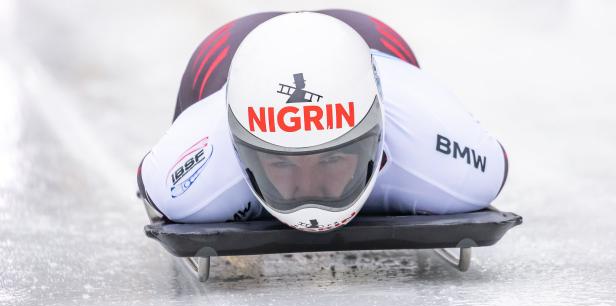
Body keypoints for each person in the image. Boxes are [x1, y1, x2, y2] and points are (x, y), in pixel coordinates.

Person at [137, 10, 509, 232]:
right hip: (224, 56)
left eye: (332, 158)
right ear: (240, 148)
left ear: (376, 135)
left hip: (378, 45)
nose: (307, 188)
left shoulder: (450, 156)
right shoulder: (188, 185)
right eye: (281, 162)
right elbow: (153, 182)